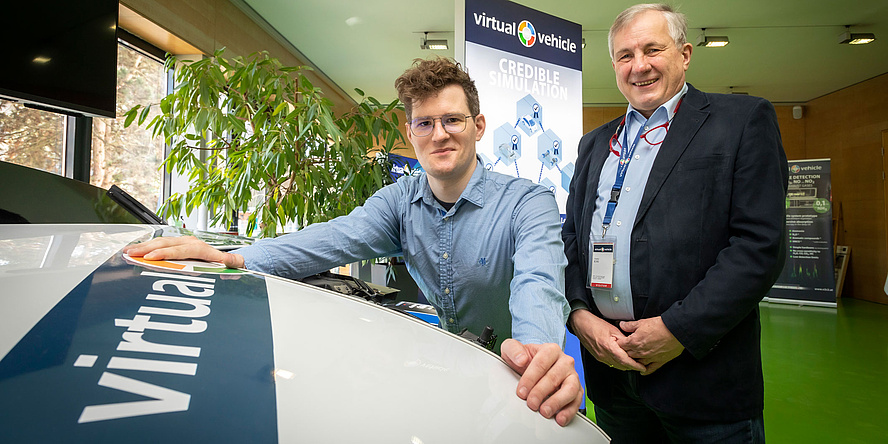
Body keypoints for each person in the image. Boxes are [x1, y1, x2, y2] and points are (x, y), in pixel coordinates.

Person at [125, 57, 584, 426]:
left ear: (479, 126)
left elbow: (538, 281)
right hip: (460, 380)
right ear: (410, 133)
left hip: (530, 393)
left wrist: (538, 353)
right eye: (425, 123)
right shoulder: (400, 202)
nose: (439, 133)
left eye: (452, 120)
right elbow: (329, 239)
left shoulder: (529, 201)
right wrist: (230, 256)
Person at [562, 4, 788, 442]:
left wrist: (677, 331)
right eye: (625, 55)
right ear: (614, 65)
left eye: (652, 49)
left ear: (684, 54)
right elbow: (571, 238)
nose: (639, 65)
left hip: (703, 381)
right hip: (611, 378)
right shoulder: (594, 144)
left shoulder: (740, 122)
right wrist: (579, 315)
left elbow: (760, 246)